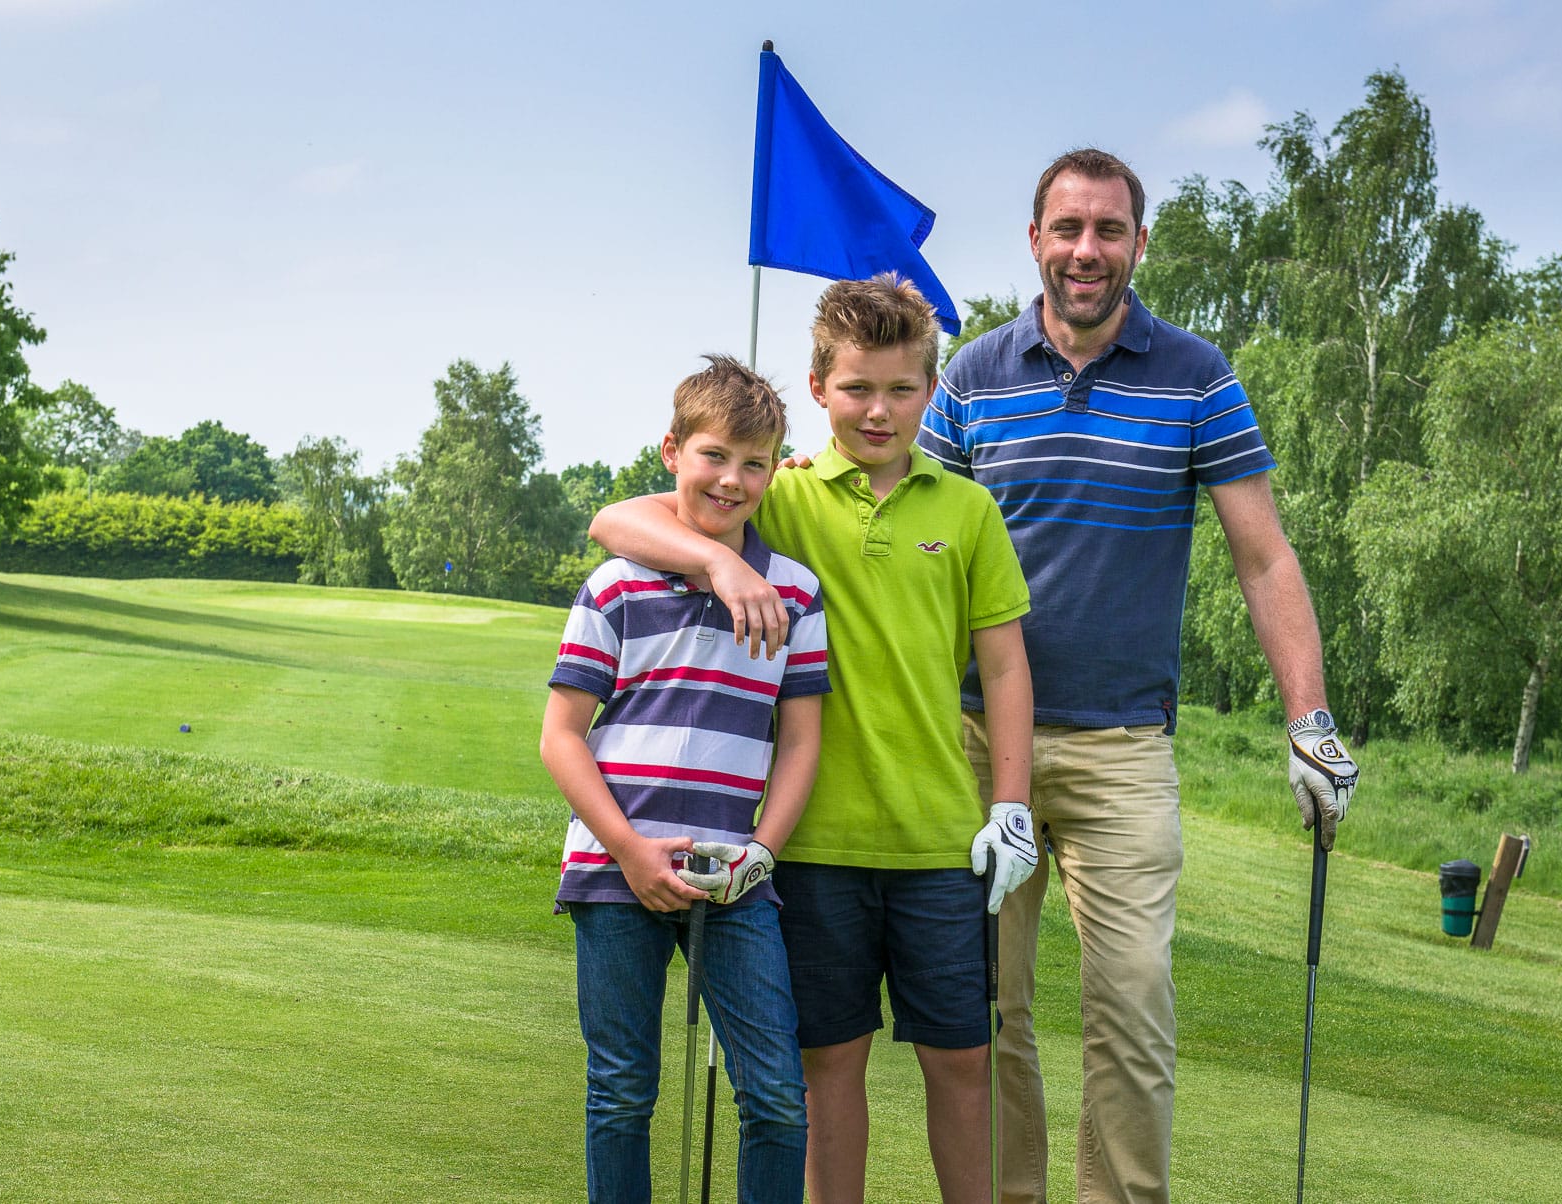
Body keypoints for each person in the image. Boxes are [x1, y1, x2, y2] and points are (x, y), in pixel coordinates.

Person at [917, 148, 1360, 1203]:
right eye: (1066, 229)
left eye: (1107, 230)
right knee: (989, 1011)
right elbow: (914, 545)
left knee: (1131, 1006)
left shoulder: (1195, 374)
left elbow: (1263, 554)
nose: (1085, 251)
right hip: (980, 745)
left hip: (1121, 746)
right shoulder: (973, 374)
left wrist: (1310, 718)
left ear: (1137, 244)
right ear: (1033, 241)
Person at [590, 274, 1038, 1204]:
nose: (880, 411)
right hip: (815, 848)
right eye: (858, 389)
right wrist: (717, 554)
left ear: (931, 391)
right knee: (831, 1068)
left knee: (960, 1064)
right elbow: (616, 520)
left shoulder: (967, 512)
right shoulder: (779, 496)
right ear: (820, 389)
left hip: (939, 841)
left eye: (903, 389)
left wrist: (1012, 804)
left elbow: (1003, 671)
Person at [540, 354, 830, 1204]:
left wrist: (762, 853)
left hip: (736, 876)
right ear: (672, 451)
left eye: (754, 462)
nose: (732, 479)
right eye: (714, 456)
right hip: (616, 868)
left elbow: (801, 745)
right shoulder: (617, 585)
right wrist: (628, 850)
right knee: (623, 1092)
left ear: (776, 469)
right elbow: (562, 737)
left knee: (776, 1095)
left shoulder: (797, 595)